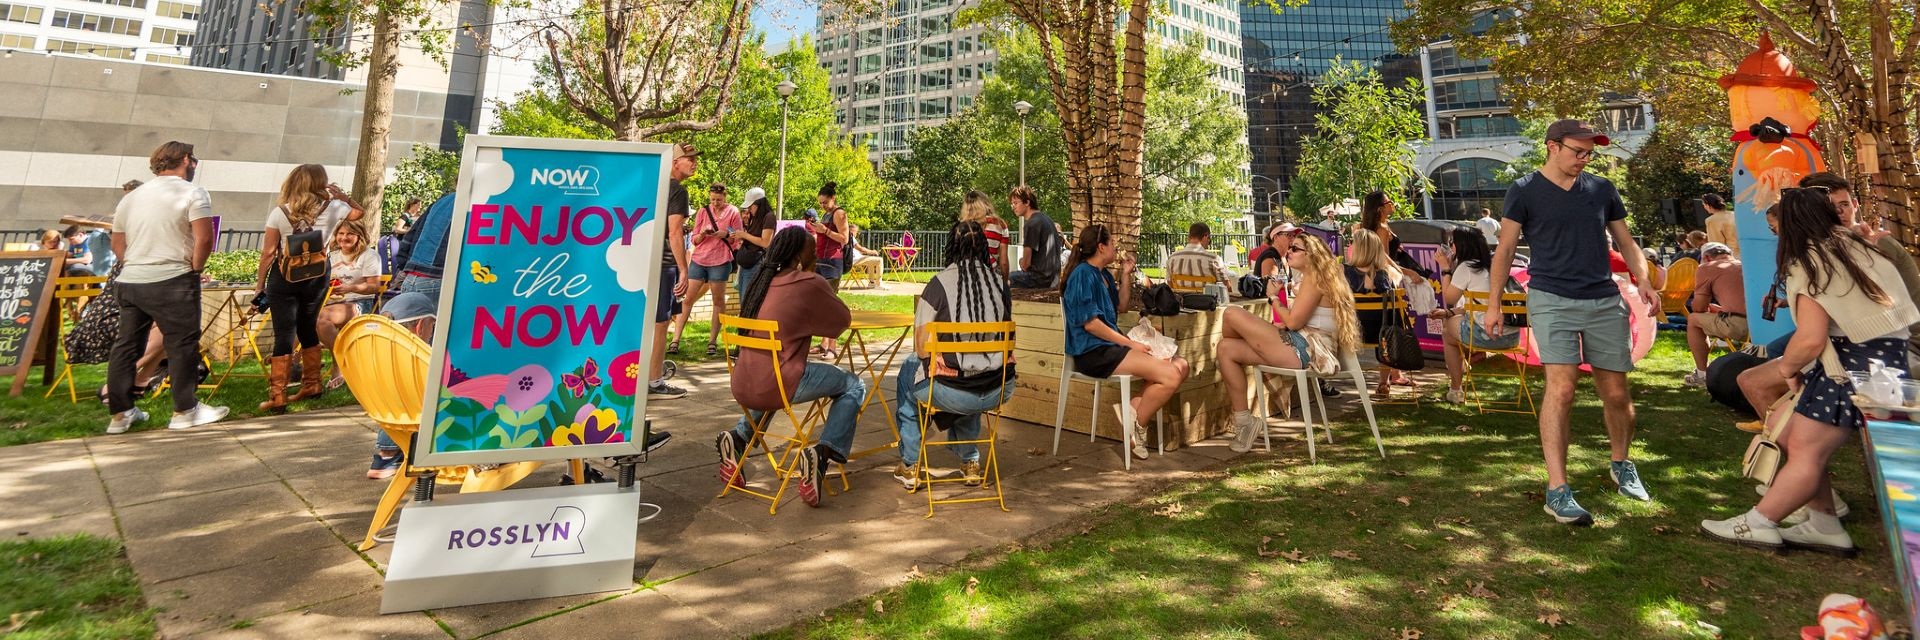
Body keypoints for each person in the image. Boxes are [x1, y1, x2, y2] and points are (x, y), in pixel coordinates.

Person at [1700, 187, 1918, 556]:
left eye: (1777, 229)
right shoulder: (1856, 246)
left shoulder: (1811, 260)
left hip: (1852, 365)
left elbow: (1811, 338)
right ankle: (1823, 523)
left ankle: (1760, 522)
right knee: (1793, 437)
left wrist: (1787, 369)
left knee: (1804, 450)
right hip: (1878, 362)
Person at [1484, 119, 1659, 525]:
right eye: (1577, 151)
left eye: (1589, 154)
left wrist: (1644, 280)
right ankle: (1558, 489)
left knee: (1616, 391)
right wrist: (1494, 304)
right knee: (1561, 389)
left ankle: (1621, 463)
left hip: (1602, 299)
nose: (1584, 159)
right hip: (1550, 299)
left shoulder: (1601, 189)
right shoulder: (1524, 190)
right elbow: (1506, 248)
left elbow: (1626, 241)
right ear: (1552, 147)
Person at [1734, 173, 1920, 432]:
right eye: (1829, 207)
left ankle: (1788, 430)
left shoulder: (1860, 243)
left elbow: (1870, 307)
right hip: (1862, 344)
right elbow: (1847, 295)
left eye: (1843, 205)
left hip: (1892, 348)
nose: (1838, 213)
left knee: (1764, 373)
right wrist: (1789, 303)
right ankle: (1790, 424)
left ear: (1855, 205)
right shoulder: (1841, 245)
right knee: (1778, 350)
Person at [716, 227, 865, 508]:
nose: (817, 255)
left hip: (744, 380)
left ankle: (738, 438)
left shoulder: (760, 280)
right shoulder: (809, 282)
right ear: (801, 255)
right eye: (812, 251)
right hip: (780, 383)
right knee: (853, 384)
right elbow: (841, 321)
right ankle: (822, 453)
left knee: (773, 371)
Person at [105, 141, 228, 434]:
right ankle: (185, 410)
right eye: (194, 160)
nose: (195, 165)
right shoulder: (193, 192)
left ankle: (120, 415)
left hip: (131, 280)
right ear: (186, 160)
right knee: (182, 344)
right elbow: (204, 238)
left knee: (126, 347)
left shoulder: (131, 197)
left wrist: (136, 264)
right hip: (173, 277)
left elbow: (117, 243)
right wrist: (195, 269)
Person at [889, 220, 1014, 489]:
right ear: (983, 247)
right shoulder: (1000, 284)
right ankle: (970, 461)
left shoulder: (938, 284)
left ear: (951, 247)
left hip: (953, 389)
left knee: (910, 372)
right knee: (972, 371)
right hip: (999, 386)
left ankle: (910, 464)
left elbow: (921, 346)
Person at [1060, 224, 1191, 459]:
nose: (1116, 248)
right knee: (1170, 374)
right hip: (1091, 352)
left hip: (1111, 347)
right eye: (1112, 244)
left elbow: (1120, 307)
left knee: (1181, 366)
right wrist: (1130, 344)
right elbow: (1091, 325)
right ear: (1101, 247)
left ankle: (1131, 413)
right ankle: (1137, 426)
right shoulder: (1082, 275)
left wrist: (1126, 275)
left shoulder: (1103, 275)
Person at [1218, 234, 1358, 452]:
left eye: (1295, 248)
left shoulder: (1315, 278)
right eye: (1290, 248)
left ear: (1311, 255)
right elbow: (1298, 322)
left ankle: (1245, 422)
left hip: (1307, 351)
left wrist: (1273, 297)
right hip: (1306, 347)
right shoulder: (1320, 277)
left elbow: (1293, 322)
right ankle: (1245, 422)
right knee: (1226, 349)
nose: (1289, 252)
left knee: (1231, 314)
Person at [256, 164, 367, 412]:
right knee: (308, 327)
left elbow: (268, 253)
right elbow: (359, 213)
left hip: (285, 278)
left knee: (285, 332)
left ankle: (278, 395)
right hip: (317, 276)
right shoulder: (335, 208)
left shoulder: (280, 213)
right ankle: (312, 384)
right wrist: (342, 196)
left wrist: (259, 286)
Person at [1433, 227, 1518, 404]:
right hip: (1512, 337)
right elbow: (1475, 306)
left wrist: (1445, 269)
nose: (1450, 247)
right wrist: (1450, 312)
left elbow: (1449, 298)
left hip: (1486, 336)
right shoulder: (1494, 265)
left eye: (1451, 243)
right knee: (1453, 321)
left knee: (1447, 332)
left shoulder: (1466, 267)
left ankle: (1456, 390)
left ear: (1460, 246)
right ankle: (1463, 367)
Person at [670, 183, 741, 358]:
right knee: (687, 299)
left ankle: (712, 342)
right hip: (700, 259)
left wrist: (725, 234)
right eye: (713, 199)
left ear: (725, 197)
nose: (715, 203)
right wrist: (701, 234)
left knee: (718, 301)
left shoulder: (733, 212)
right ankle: (675, 340)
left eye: (719, 200)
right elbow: (693, 238)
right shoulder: (703, 211)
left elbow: (738, 237)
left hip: (721, 260)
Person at [649, 143, 696, 399]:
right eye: (688, 158)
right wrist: (683, 269)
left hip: (647, 262)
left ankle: (649, 372)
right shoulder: (678, 191)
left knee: (651, 323)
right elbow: (674, 231)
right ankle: (654, 381)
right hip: (665, 264)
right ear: (675, 162)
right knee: (660, 324)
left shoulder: (653, 186)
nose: (694, 162)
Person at [318, 220, 383, 388]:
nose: (344, 237)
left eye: (349, 234)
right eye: (340, 233)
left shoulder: (369, 256)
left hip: (359, 303)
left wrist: (350, 288)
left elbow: (374, 287)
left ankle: (339, 365)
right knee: (305, 315)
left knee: (321, 318)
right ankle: (294, 366)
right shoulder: (331, 255)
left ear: (359, 236)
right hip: (331, 303)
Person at [1346, 229, 1408, 398]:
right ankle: (1383, 381)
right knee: (1385, 327)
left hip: (1352, 332)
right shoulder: (1384, 274)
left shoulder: (1344, 272)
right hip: (1383, 335)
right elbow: (1398, 279)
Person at [1683, 242, 1746, 387]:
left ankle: (1702, 374)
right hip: (1761, 324)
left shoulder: (1706, 267)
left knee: (1693, 319)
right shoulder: (1741, 264)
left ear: (1706, 257)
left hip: (1740, 325)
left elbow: (1699, 307)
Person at [808, 182, 850, 359]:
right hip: (821, 261)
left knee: (830, 304)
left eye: (825, 202)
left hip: (833, 262)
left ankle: (832, 346)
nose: (822, 206)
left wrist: (825, 230)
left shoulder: (839, 213)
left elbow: (844, 238)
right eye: (820, 203)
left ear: (833, 199)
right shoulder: (826, 214)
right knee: (817, 304)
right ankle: (824, 343)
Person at [390, 193, 455, 302]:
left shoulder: (440, 203)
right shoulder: (468, 203)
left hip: (412, 276)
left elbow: (409, 238)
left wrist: (406, 267)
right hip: (436, 278)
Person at [1359, 190, 1433, 283]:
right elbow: (1384, 260)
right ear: (1380, 209)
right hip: (1392, 276)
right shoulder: (1381, 229)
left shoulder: (1382, 225)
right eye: (1389, 202)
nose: (1392, 203)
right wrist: (1408, 272)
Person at [1008, 186, 1062, 289]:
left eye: (1015, 203)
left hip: (1039, 279)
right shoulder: (1047, 219)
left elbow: (1025, 265)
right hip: (1053, 279)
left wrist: (1021, 261)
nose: (1013, 207)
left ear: (1027, 202)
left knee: (1004, 278)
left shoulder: (1032, 224)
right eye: (1012, 204)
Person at [729, 187, 775, 299]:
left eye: (751, 206)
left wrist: (745, 235)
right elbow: (753, 239)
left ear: (759, 203)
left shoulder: (769, 217)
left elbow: (765, 242)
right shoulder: (754, 218)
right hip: (746, 263)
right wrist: (740, 236)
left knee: (747, 298)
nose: (749, 210)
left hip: (756, 263)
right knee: (742, 298)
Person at [959, 190, 1012, 274]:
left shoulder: (962, 227)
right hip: (990, 275)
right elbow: (1004, 262)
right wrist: (1004, 283)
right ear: (986, 204)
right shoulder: (1000, 224)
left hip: (966, 274)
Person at [1167, 221, 1230, 290]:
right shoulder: (1214, 259)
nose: (1209, 242)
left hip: (1181, 299)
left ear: (1189, 237)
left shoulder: (1172, 258)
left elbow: (1170, 285)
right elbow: (1225, 287)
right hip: (1207, 300)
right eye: (1209, 239)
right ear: (1205, 236)